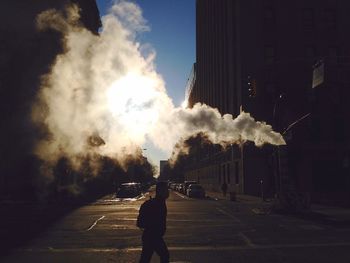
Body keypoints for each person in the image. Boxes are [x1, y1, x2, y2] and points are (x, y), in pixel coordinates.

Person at [137, 182, 170, 263]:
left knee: (145, 258)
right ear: (160, 191)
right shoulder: (157, 203)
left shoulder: (159, 202)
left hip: (150, 235)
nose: (167, 192)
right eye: (165, 190)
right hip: (153, 236)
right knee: (164, 255)